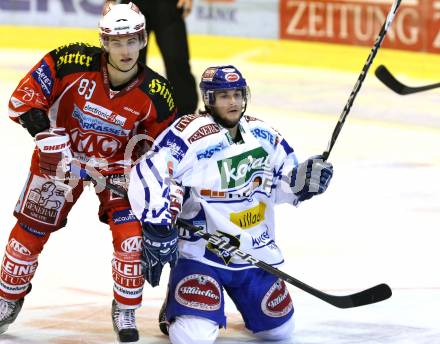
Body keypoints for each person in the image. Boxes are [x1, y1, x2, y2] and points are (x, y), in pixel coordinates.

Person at [0, 2, 177, 343]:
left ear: (142, 41)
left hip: (116, 172)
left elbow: (160, 155)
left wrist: (146, 185)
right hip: (60, 161)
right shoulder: (69, 61)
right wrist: (45, 135)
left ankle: (125, 307)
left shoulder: (158, 94)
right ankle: (8, 297)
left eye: (132, 41)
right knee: (28, 234)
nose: (125, 50)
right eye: (116, 42)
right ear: (103, 42)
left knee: (131, 241)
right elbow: (22, 100)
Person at [127, 65, 334, 343]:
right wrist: (158, 225)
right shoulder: (190, 134)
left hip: (252, 253)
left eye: (237, 94)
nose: (233, 101)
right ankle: (176, 309)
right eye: (224, 95)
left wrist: (302, 183)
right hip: (201, 256)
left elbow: (280, 184)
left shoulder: (263, 134)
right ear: (209, 99)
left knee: (279, 331)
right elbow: (149, 170)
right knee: (193, 339)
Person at [118, 0, 199, 116]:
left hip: (167, 5)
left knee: (176, 59)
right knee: (129, 60)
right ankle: (126, 110)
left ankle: (186, 114)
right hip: (132, 4)